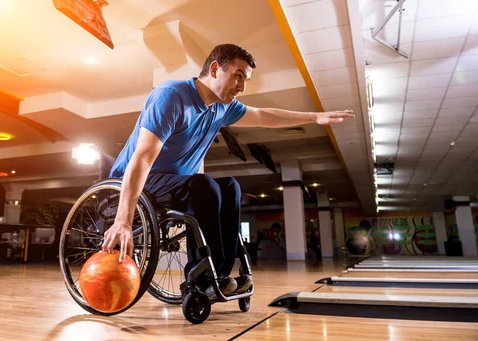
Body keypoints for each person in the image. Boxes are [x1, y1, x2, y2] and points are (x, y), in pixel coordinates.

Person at [102, 43, 354, 296]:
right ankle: (200, 276)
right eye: (238, 76)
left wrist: (314, 118)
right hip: (139, 180)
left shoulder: (222, 108)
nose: (242, 87)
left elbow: (264, 116)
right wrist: (122, 220)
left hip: (177, 183)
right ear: (214, 69)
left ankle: (218, 273)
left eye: (246, 80)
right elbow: (143, 157)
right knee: (202, 184)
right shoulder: (171, 96)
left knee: (230, 186)